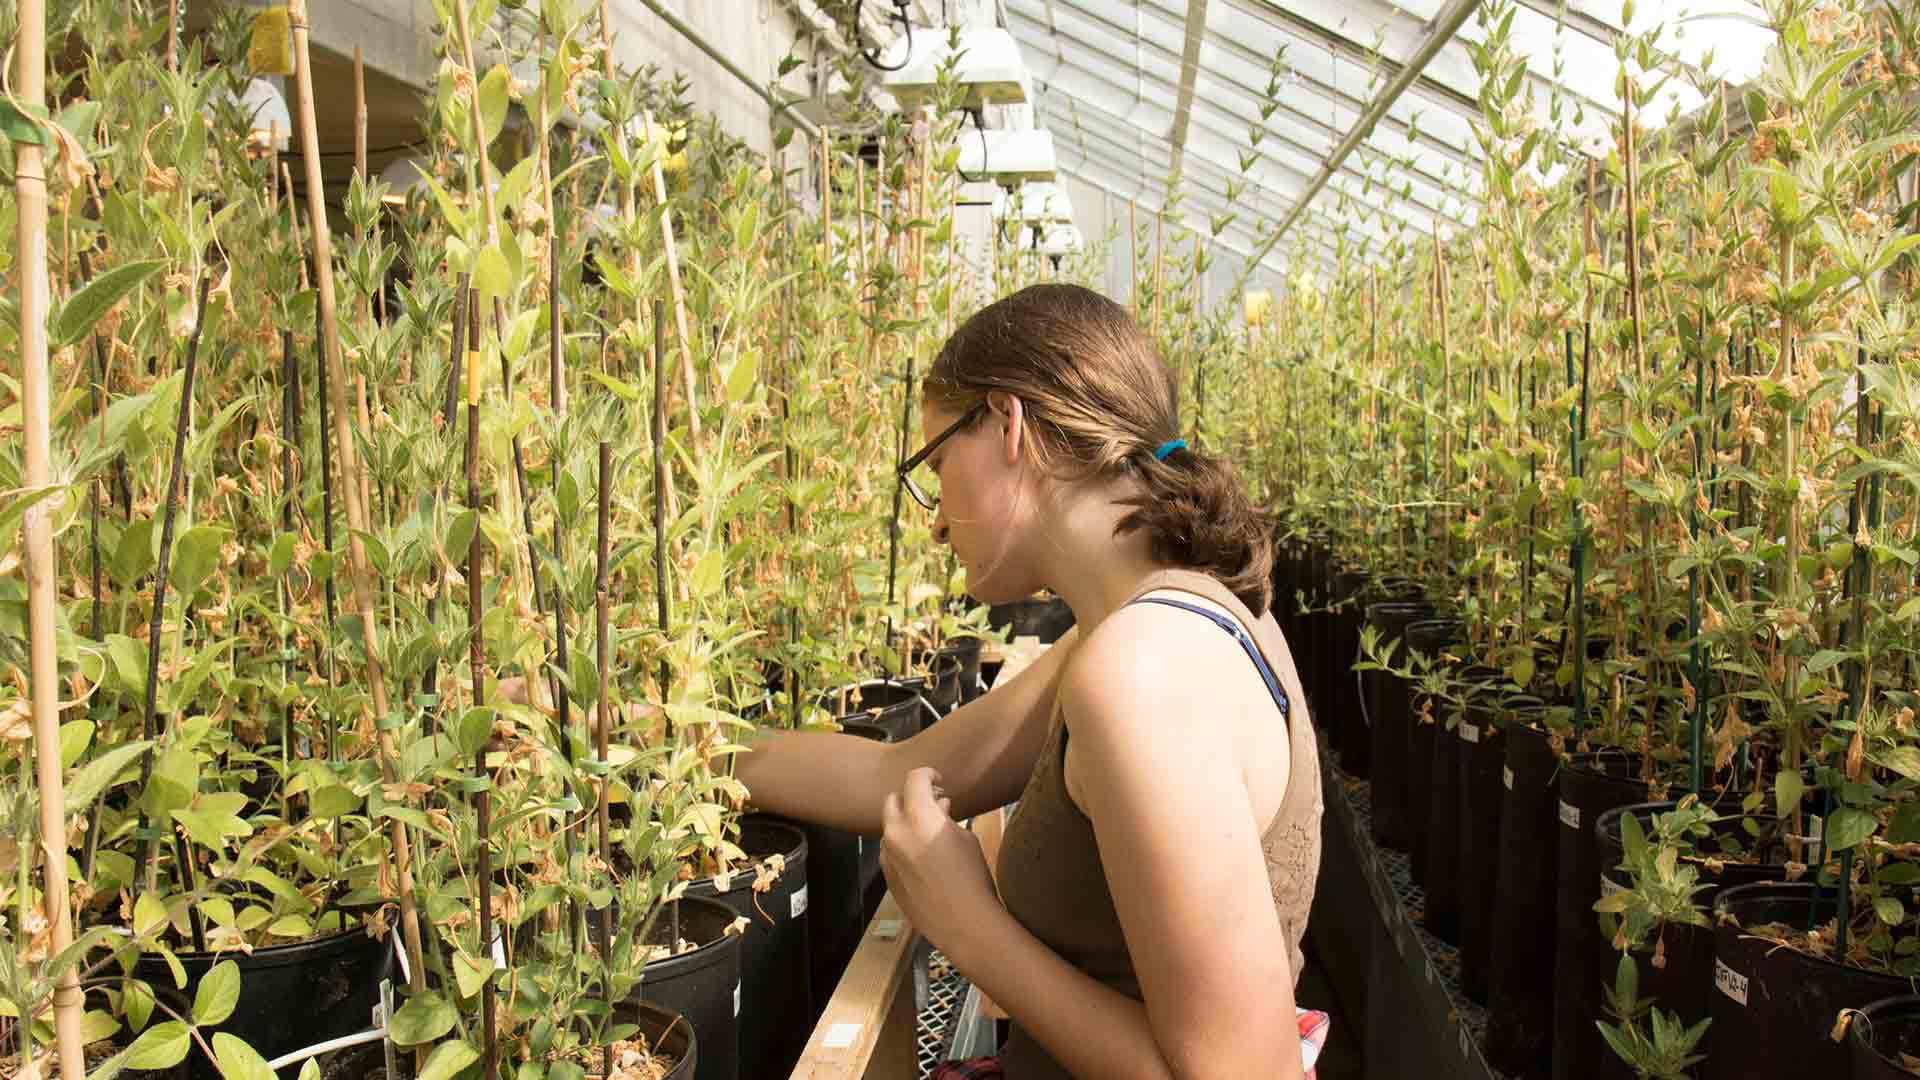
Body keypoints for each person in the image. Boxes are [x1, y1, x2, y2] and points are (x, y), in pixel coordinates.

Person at [739, 283, 1326, 1079]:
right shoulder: (1150, 625)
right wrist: (678, 751)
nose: (935, 518)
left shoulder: (1140, 677)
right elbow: (890, 771)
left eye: (937, 462)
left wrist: (967, 925)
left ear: (1008, 424)